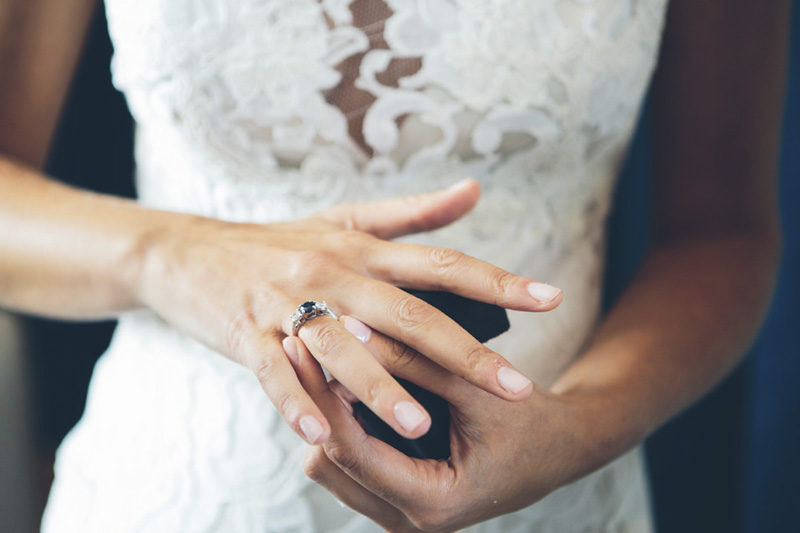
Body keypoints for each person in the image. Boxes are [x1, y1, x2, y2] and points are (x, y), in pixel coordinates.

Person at [0, 0, 789, 531]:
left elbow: (720, 230)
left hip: (552, 490)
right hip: (178, 487)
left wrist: (580, 426)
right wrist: (174, 255)